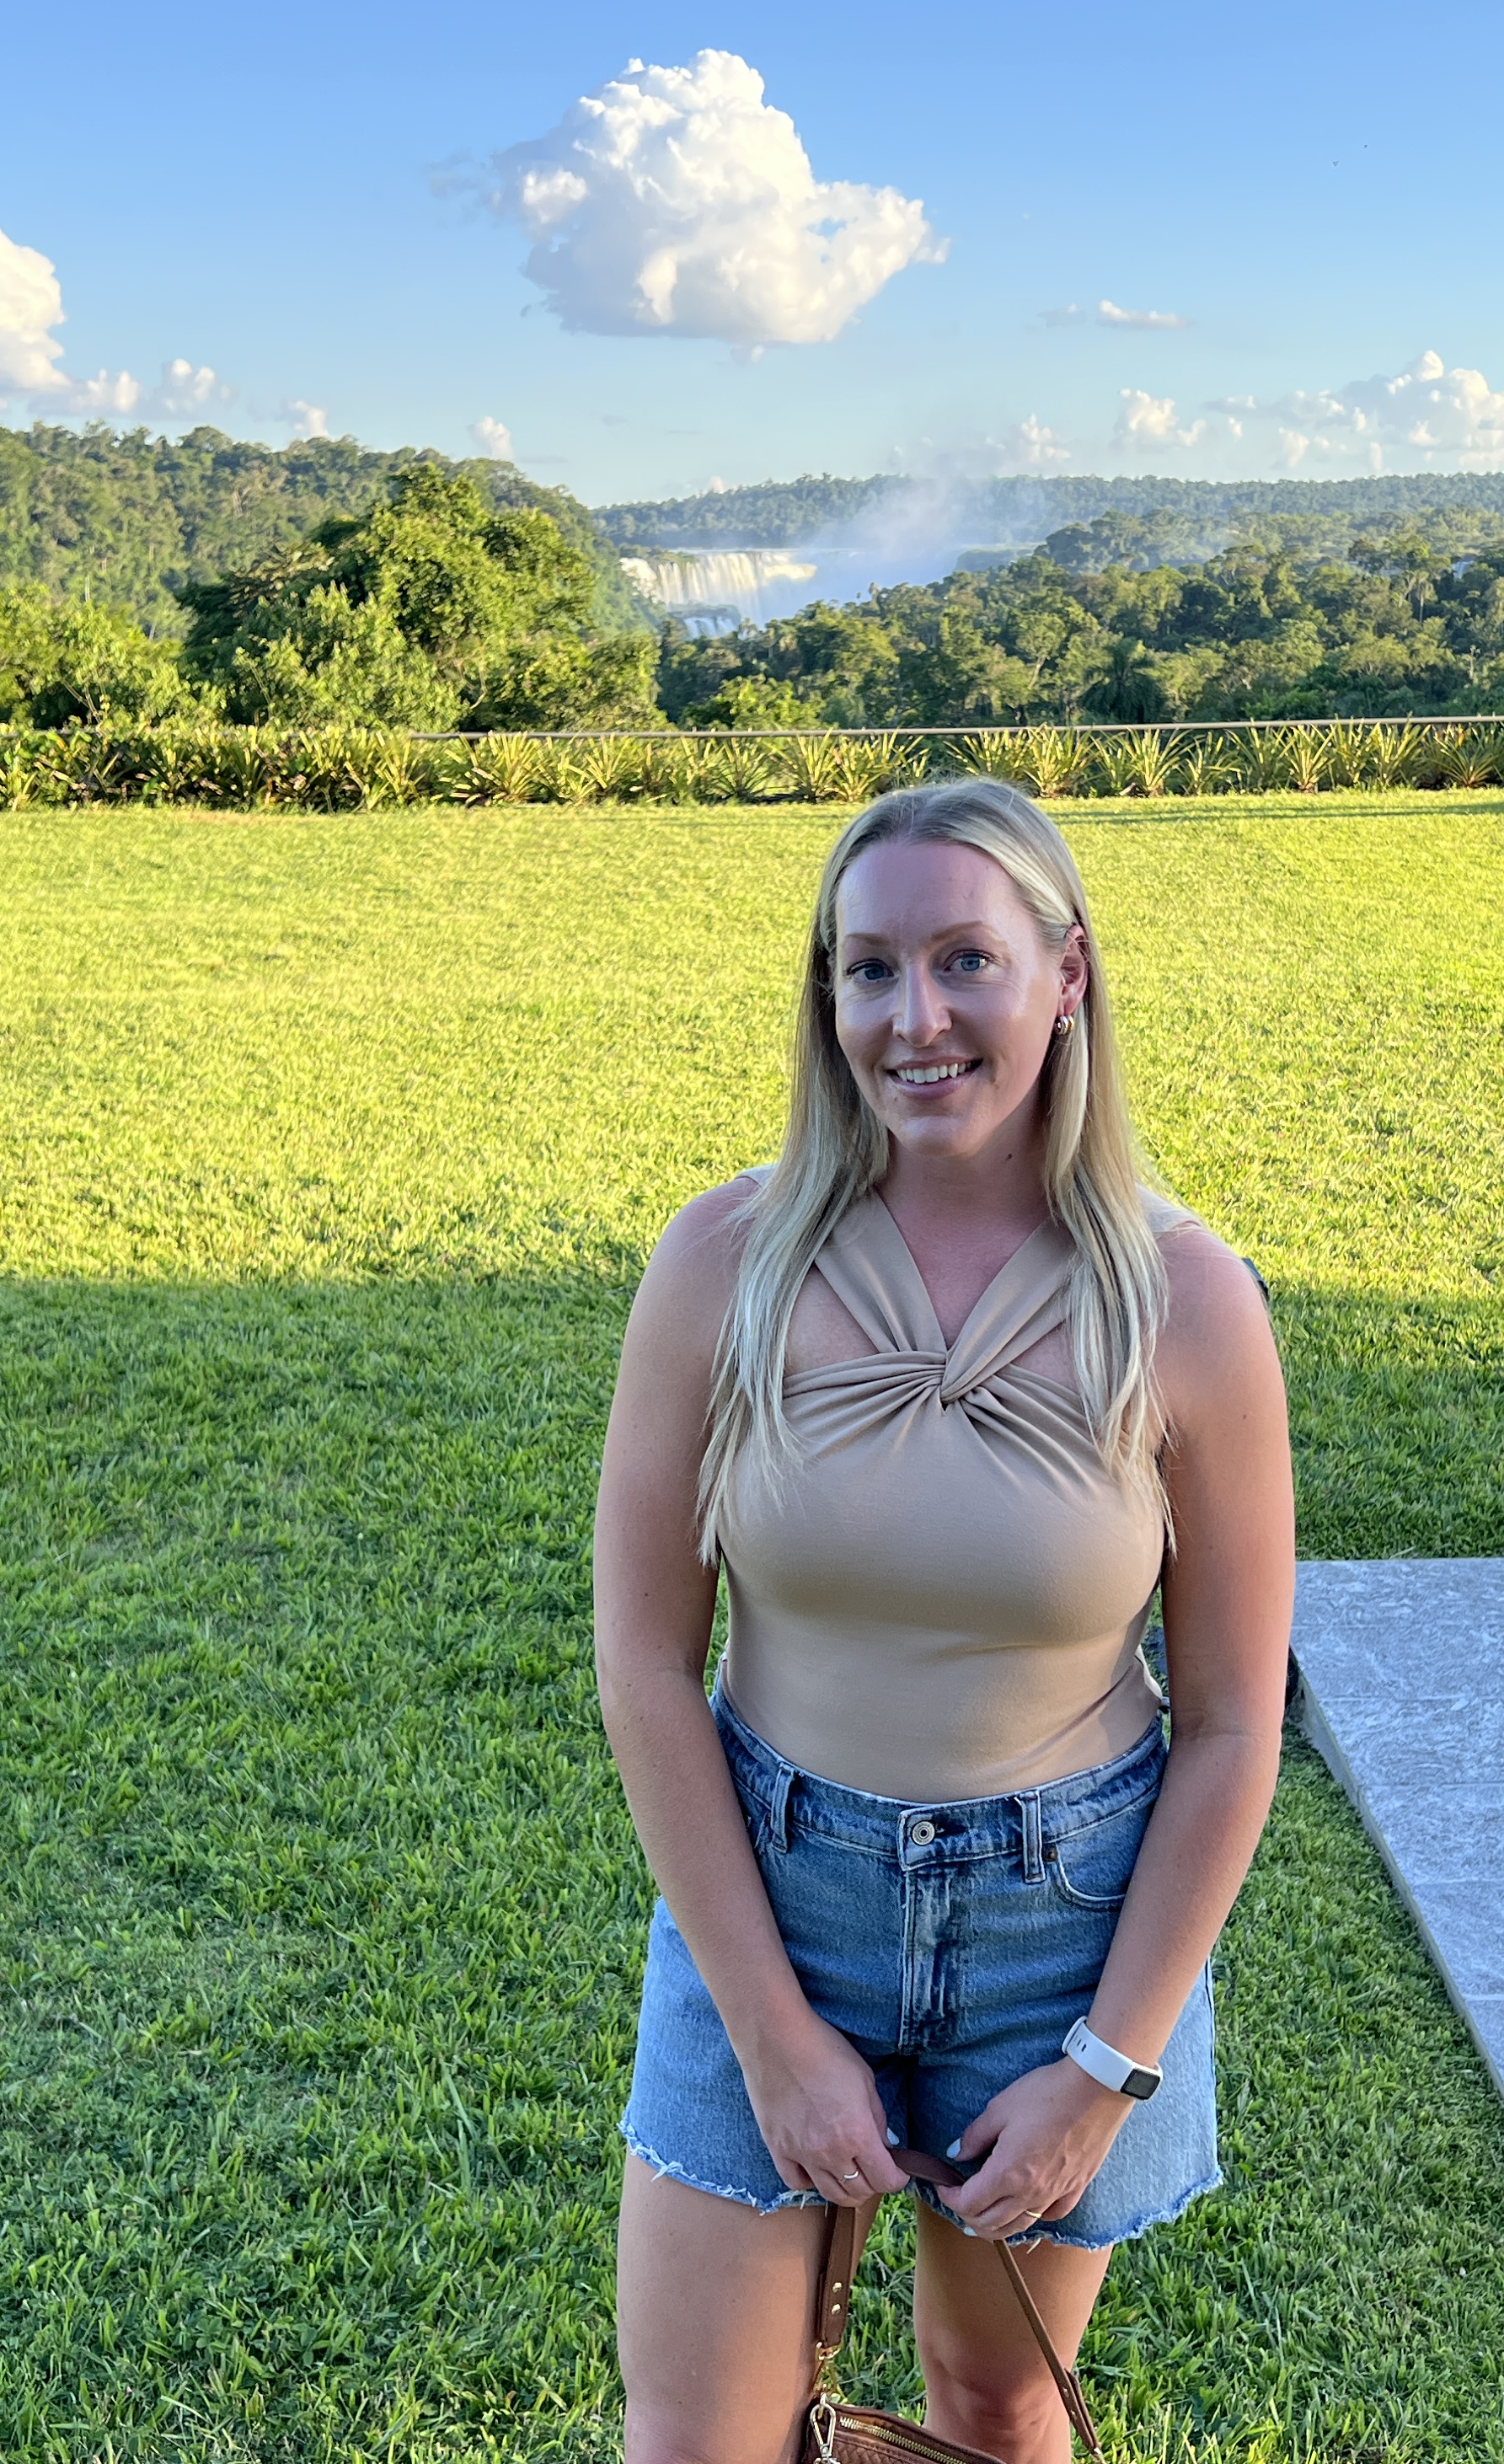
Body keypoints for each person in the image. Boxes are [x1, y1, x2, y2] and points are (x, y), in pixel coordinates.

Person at [593, 779, 1294, 2464]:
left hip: (1063, 1931)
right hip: (777, 1895)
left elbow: (1229, 1724)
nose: (913, 1017)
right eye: (869, 968)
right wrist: (776, 2038)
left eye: (965, 958)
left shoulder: (1186, 1302)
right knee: (698, 2438)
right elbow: (645, 1661)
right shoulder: (724, 1263)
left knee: (992, 2411)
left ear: (1068, 974)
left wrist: (1103, 2069)